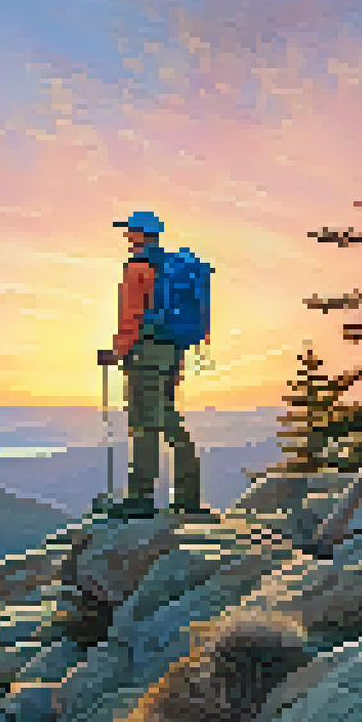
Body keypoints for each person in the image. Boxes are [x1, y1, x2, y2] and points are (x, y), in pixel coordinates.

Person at [97, 211, 209, 519]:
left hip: (145, 354)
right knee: (170, 420)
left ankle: (140, 498)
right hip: (172, 352)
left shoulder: (139, 268)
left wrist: (117, 352)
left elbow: (131, 317)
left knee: (144, 424)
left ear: (140, 234)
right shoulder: (172, 269)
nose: (127, 236)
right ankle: (188, 496)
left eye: (130, 231)